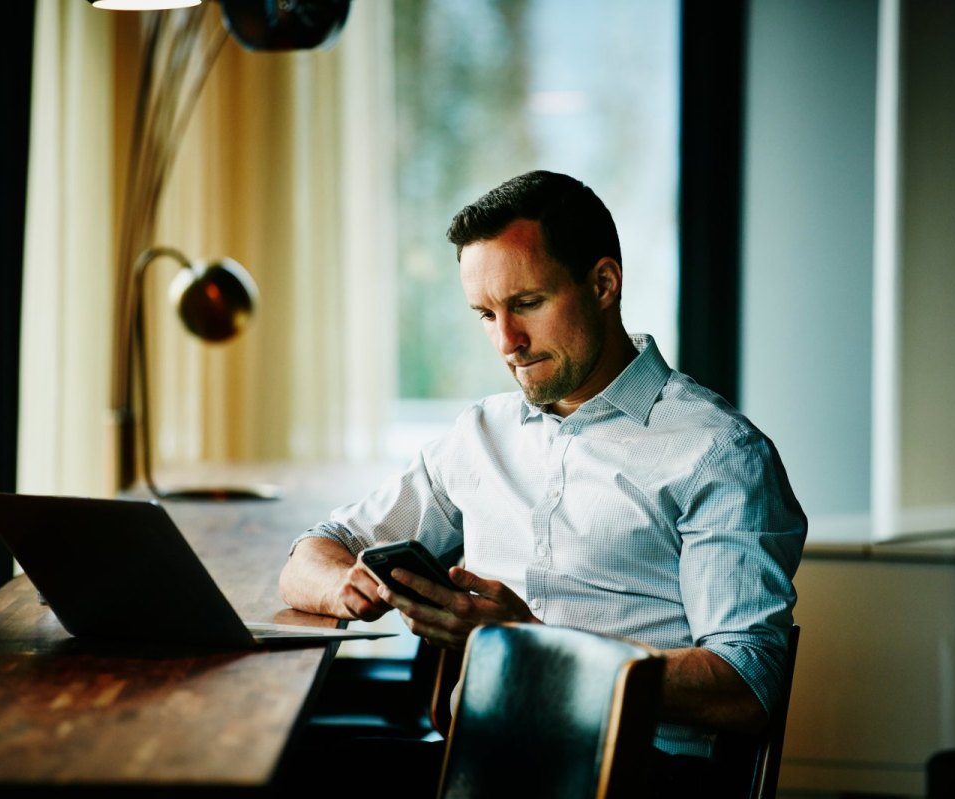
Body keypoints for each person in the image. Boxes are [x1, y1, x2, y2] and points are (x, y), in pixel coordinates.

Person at [278, 169, 807, 793]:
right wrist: (346, 584)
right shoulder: (481, 434)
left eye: (527, 304)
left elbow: (748, 687)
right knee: (277, 767)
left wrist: (529, 647)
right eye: (485, 314)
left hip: (638, 773)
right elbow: (311, 552)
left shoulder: (717, 452)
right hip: (477, 759)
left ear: (603, 283)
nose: (507, 342)